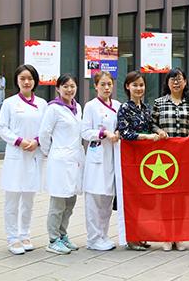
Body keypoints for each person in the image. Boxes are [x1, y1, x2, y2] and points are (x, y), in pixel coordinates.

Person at [0, 64, 47, 255]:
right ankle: (12, 238)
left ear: (35, 81)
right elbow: (2, 128)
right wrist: (19, 141)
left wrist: (37, 141)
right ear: (17, 81)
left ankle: (25, 234)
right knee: (12, 199)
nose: (26, 82)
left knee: (28, 198)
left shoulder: (42, 104)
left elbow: (46, 129)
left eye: (30, 78)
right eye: (22, 78)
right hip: (16, 155)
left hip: (33, 155)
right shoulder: (9, 103)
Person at [152, 68, 189, 252]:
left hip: (185, 157)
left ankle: (178, 235)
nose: (176, 82)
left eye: (179, 79)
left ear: (185, 82)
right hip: (164, 159)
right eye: (172, 79)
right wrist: (159, 131)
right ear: (167, 83)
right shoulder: (159, 102)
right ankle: (166, 236)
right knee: (165, 198)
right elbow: (152, 123)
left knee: (181, 199)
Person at [39, 73, 84, 255]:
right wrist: (50, 152)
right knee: (58, 202)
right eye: (65, 86)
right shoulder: (53, 109)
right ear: (58, 88)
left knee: (70, 201)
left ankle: (63, 234)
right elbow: (44, 133)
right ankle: (53, 239)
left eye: (72, 86)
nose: (69, 89)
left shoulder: (77, 107)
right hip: (59, 160)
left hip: (75, 159)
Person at [117, 70, 161, 251]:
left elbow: (151, 125)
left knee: (144, 199)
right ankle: (132, 237)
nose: (139, 88)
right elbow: (124, 133)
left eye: (141, 85)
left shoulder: (146, 107)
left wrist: (158, 131)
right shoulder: (124, 108)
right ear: (127, 87)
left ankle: (141, 234)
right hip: (131, 158)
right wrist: (146, 137)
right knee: (132, 198)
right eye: (135, 85)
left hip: (146, 159)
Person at [81, 71, 120, 251]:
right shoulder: (90, 106)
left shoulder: (118, 105)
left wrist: (118, 133)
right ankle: (93, 238)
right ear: (95, 86)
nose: (106, 88)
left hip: (112, 156)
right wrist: (103, 133)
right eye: (102, 84)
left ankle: (103, 235)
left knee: (106, 199)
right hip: (97, 156)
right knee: (94, 200)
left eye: (109, 84)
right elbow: (85, 132)